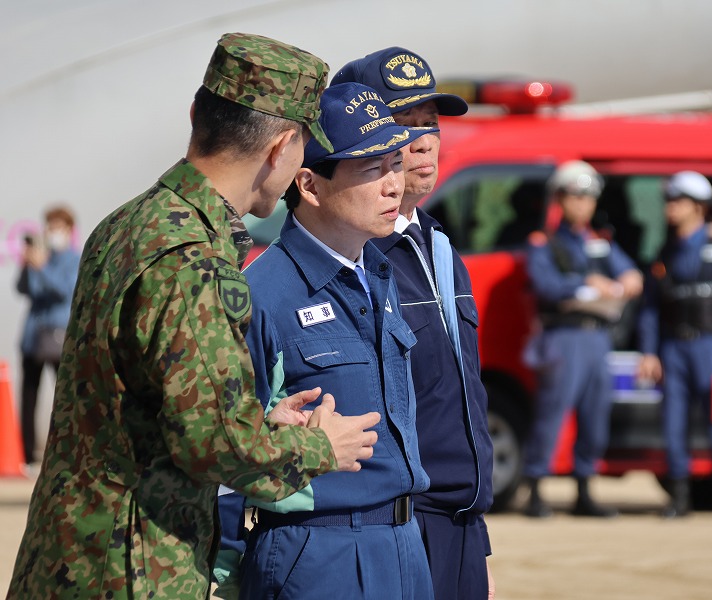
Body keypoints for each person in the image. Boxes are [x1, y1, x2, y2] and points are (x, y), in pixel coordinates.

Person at [7, 33, 382, 600]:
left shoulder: (128, 222)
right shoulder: (193, 259)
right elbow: (214, 445)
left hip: (70, 557)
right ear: (281, 146)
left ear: (196, 115)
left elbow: (148, 406)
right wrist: (321, 446)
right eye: (304, 147)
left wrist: (259, 425)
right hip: (131, 571)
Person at [215, 82, 437, 600]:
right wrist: (225, 571)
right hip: (316, 552)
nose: (394, 185)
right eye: (372, 169)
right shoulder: (260, 296)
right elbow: (220, 449)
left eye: (395, 164)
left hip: (404, 544)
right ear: (310, 185)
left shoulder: (378, 275)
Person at [330, 47, 496, 599]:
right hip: (394, 526)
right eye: (404, 123)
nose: (424, 141)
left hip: (460, 526)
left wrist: (474, 536)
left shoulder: (440, 248)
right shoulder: (353, 257)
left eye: (431, 124)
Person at [521, 160, 643, 518]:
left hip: (597, 338)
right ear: (560, 198)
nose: (583, 203)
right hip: (563, 336)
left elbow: (628, 272)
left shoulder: (598, 242)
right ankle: (535, 490)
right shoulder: (544, 242)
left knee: (595, 414)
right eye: (576, 196)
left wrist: (631, 277)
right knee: (551, 413)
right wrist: (584, 283)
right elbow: (544, 285)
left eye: (589, 197)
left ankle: (585, 489)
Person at [636, 170, 712, 520]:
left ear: (698, 207)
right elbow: (651, 308)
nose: (670, 207)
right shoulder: (666, 251)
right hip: (674, 347)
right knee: (673, 423)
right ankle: (679, 499)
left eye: (678, 201)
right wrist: (649, 351)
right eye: (669, 200)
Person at [15, 205, 80, 467]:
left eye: (56, 227)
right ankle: (28, 456)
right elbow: (23, 289)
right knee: (29, 397)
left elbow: (65, 291)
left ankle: (66, 451)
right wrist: (27, 266)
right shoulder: (43, 255)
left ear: (69, 229)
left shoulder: (74, 259)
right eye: (49, 227)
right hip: (33, 337)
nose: (52, 232)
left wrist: (42, 268)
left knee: (64, 397)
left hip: (58, 337)